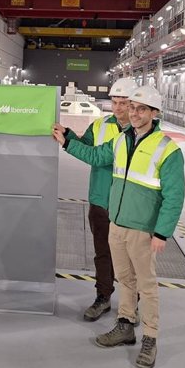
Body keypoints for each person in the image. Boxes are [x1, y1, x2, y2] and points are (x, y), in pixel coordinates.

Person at [52, 85, 185, 368]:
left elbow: (175, 195)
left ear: (154, 113)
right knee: (125, 279)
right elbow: (96, 156)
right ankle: (125, 324)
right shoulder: (121, 140)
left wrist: (162, 231)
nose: (134, 113)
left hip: (142, 226)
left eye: (141, 109)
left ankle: (149, 338)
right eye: (132, 107)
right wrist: (66, 142)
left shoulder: (167, 149)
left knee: (146, 286)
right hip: (117, 222)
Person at [53, 77, 138, 322]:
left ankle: (132, 303)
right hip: (100, 201)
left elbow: (98, 157)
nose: (119, 108)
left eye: (125, 103)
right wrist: (69, 135)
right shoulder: (100, 125)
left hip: (129, 205)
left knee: (131, 258)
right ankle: (103, 297)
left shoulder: (138, 132)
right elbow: (87, 146)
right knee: (103, 254)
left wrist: (67, 143)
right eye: (116, 102)